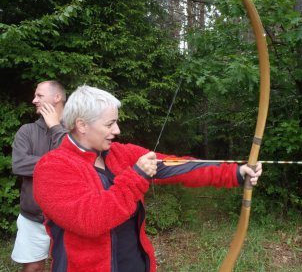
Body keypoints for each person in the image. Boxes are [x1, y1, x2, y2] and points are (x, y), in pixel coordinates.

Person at [33, 85, 262, 272]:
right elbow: (91, 220)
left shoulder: (119, 153)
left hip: (136, 263)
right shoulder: (53, 167)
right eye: (110, 124)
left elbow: (176, 165)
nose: (117, 130)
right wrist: (136, 176)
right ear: (81, 125)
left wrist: (234, 173)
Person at [11, 80, 67, 272]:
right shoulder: (26, 131)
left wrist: (56, 129)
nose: (34, 100)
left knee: (68, 266)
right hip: (32, 218)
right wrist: (61, 162)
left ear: (57, 97)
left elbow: (82, 165)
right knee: (33, 268)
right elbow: (19, 164)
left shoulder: (76, 130)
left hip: (68, 218)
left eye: (39, 96)